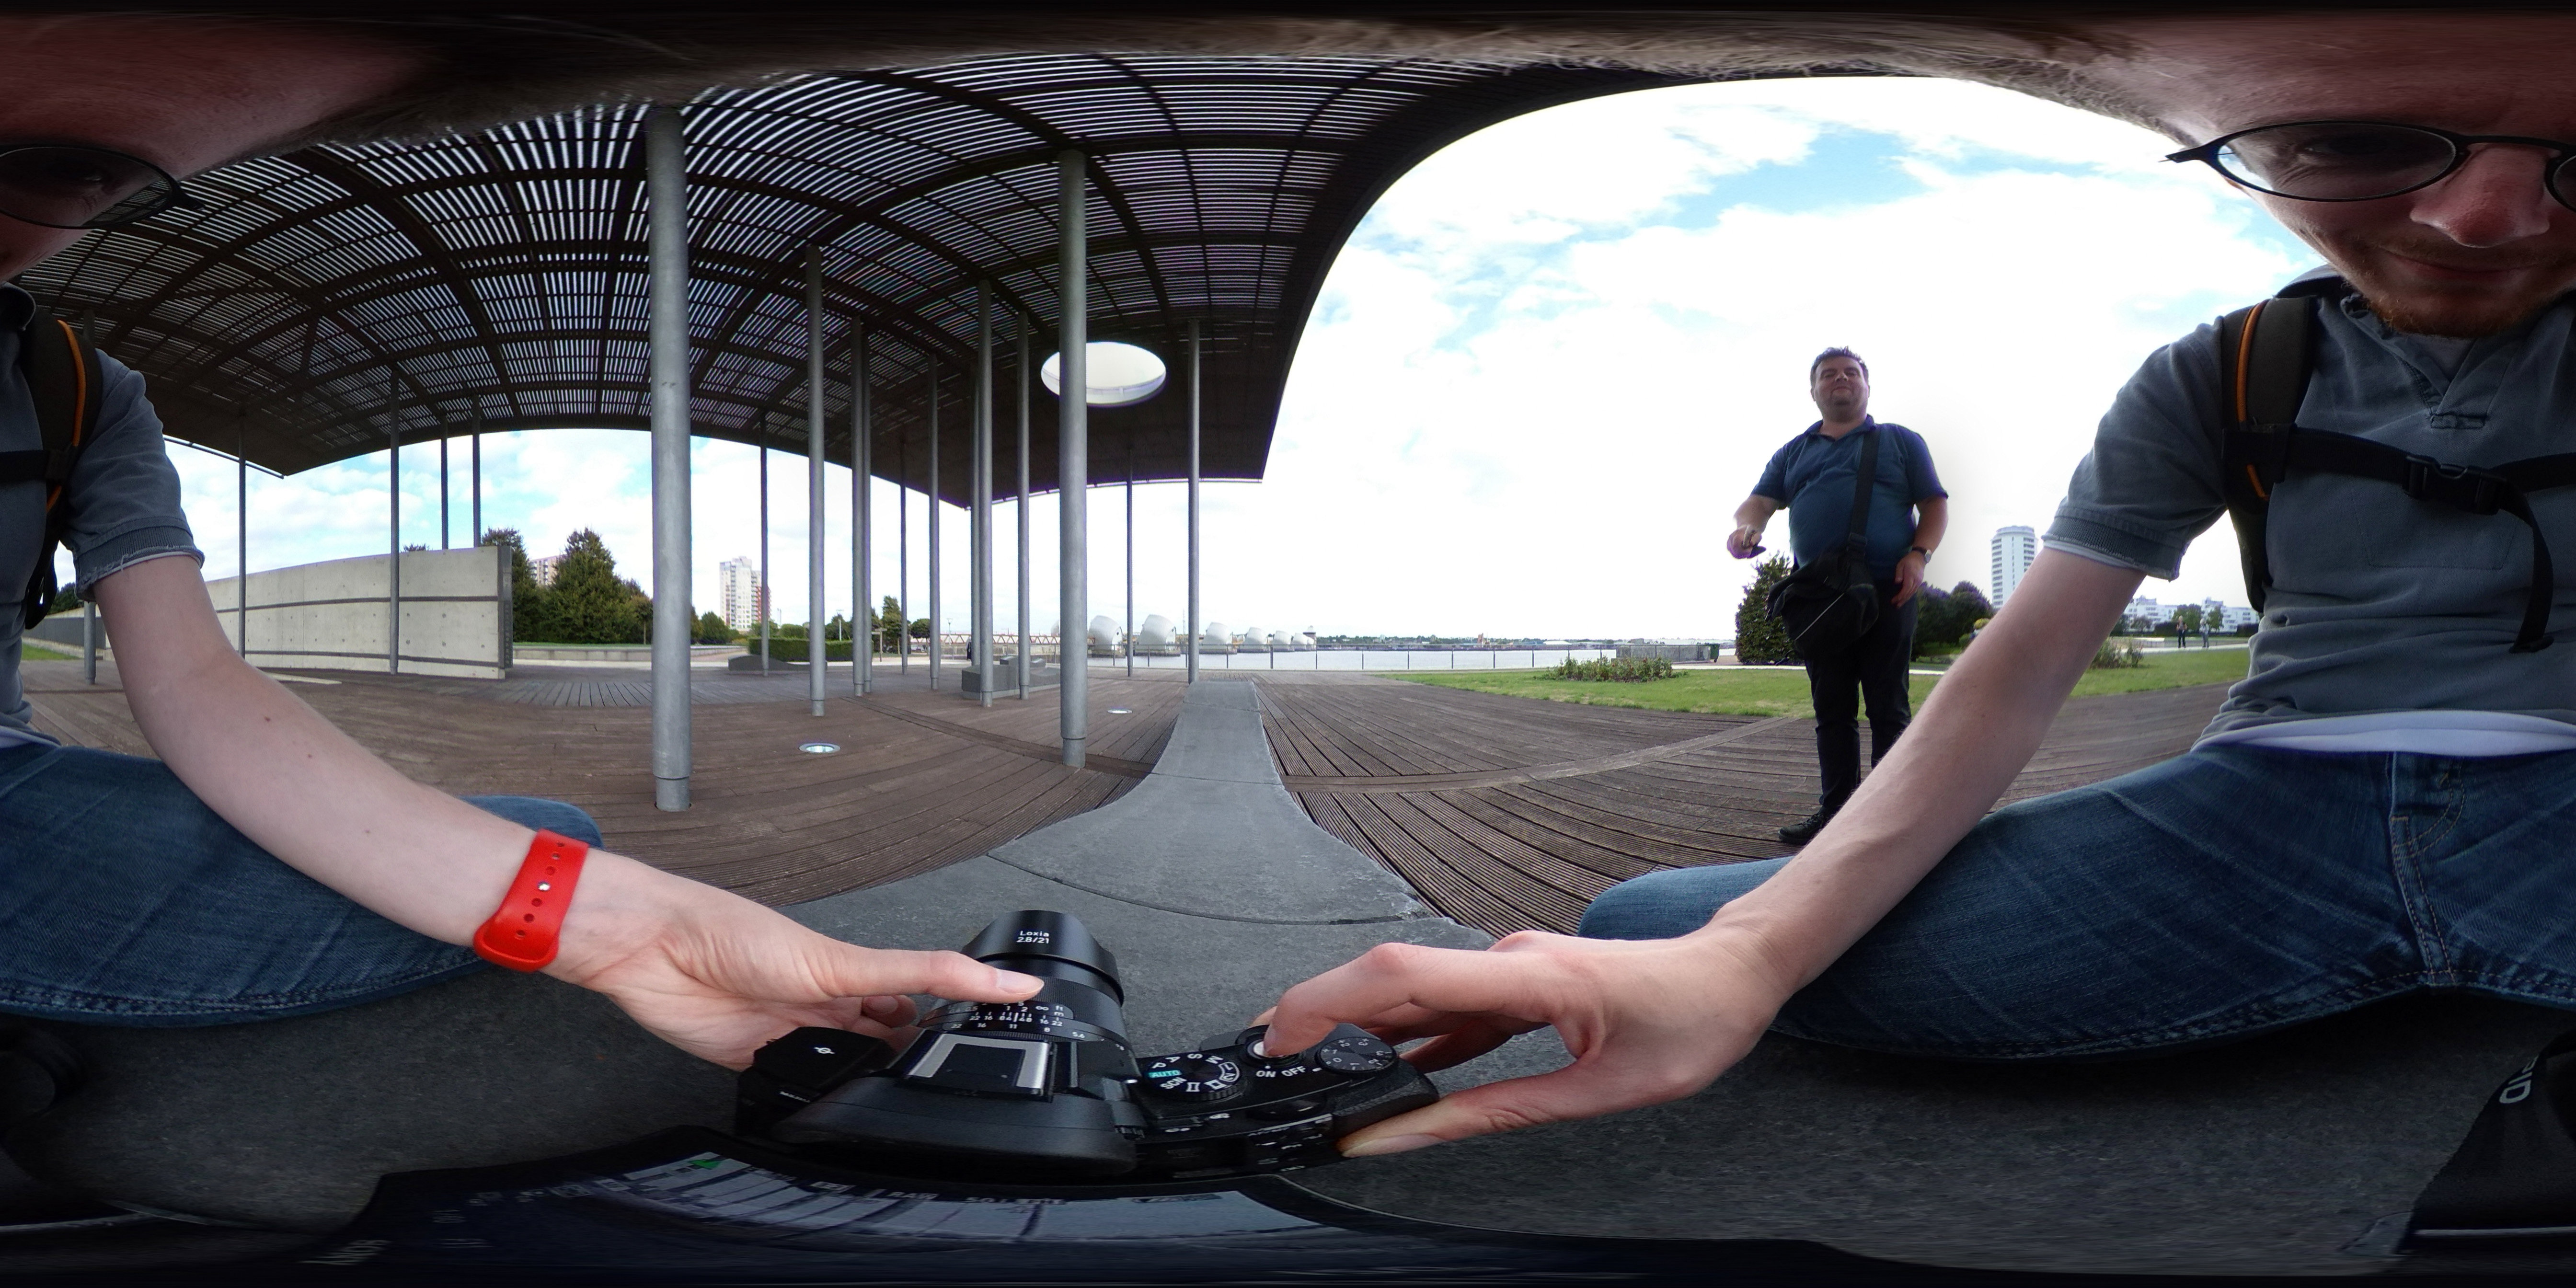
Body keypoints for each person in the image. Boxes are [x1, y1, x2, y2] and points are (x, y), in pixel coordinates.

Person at [1261, 10, 2576, 1161]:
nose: (2487, 222)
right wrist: (1746, 955)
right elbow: (2019, 669)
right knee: (1647, 923)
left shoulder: (1895, 443)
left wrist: (1907, 560)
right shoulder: (2226, 370)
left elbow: (1938, 513)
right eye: (2356, 143)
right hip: (2262, 806)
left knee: (1844, 756)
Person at [0, 14, 1042, 1067]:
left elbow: (195, 683)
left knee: (555, 837)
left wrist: (636, 929)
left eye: (66, 172)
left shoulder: (78, 392)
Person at [1728, 349, 1947, 845]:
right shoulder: (1793, 453)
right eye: (1828, 375)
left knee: (1889, 710)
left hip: (1889, 592)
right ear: (1814, 392)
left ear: (1867, 386)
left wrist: (1919, 556)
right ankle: (1837, 818)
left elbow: (1935, 505)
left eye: (1851, 373)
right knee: (1832, 711)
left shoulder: (1901, 442)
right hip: (1821, 599)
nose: (1841, 379)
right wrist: (1746, 528)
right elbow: (1759, 503)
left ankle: (1891, 819)